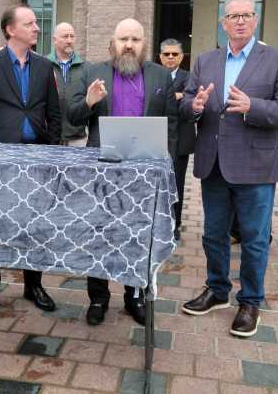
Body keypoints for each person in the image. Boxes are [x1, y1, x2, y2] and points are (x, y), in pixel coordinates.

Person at [180, 0, 278, 338]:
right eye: (233, 16)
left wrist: (252, 106)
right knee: (213, 234)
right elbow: (187, 102)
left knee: (254, 238)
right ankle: (217, 290)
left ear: (255, 20)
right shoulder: (205, 60)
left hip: (256, 165)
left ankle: (250, 301)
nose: (240, 21)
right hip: (213, 164)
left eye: (246, 15)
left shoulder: (277, 59)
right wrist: (195, 106)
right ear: (223, 23)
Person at [67, 18, 178, 326]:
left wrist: (164, 162)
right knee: (98, 234)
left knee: (137, 234)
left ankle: (134, 296)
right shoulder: (92, 72)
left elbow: (171, 122)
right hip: (101, 169)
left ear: (145, 44)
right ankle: (98, 298)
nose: (129, 44)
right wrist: (89, 101)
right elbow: (71, 117)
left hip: (143, 171)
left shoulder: (159, 75)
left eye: (136, 39)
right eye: (123, 38)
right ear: (112, 43)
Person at [0, 4, 61, 319]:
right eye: (30, 23)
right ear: (11, 30)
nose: (37, 28)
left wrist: (54, 147)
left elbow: (54, 113)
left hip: (37, 158)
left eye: (36, 23)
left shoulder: (45, 67)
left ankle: (33, 286)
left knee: (36, 225)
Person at [158, 38, 195, 241]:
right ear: (160, 56)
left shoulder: (189, 77)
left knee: (176, 184)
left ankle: (175, 223)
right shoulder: (154, 75)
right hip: (156, 139)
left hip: (180, 140)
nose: (170, 57)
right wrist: (176, 95)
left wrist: (171, 95)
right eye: (166, 54)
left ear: (181, 56)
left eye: (175, 54)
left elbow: (189, 98)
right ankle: (158, 221)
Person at [46, 22, 89, 146]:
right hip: (50, 136)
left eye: (72, 36)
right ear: (55, 40)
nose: (69, 40)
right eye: (65, 36)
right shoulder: (44, 65)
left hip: (78, 138)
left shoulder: (86, 68)